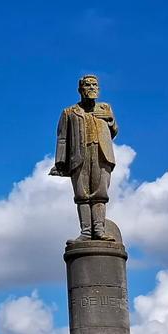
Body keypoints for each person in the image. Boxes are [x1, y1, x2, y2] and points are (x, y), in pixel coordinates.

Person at [50, 74, 119, 240]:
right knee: (82, 195)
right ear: (80, 89)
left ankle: (99, 231)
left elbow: (114, 131)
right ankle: (86, 232)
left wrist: (110, 120)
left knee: (100, 193)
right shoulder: (70, 112)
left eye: (95, 85)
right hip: (79, 156)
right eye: (88, 85)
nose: (92, 88)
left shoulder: (105, 108)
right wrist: (60, 162)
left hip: (102, 154)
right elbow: (62, 138)